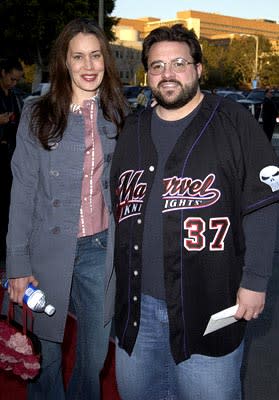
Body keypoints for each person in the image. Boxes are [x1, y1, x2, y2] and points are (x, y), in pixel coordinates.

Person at [110, 24, 279, 400]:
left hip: (209, 306)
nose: (167, 73)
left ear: (199, 69)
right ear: (147, 74)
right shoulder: (133, 130)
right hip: (139, 310)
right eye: (157, 66)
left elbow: (264, 206)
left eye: (179, 63)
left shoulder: (235, 122)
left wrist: (255, 280)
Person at [4, 18, 127, 400]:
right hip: (46, 251)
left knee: (93, 358)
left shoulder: (117, 115)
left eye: (95, 56)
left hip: (100, 250)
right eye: (78, 57)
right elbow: (22, 192)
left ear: (105, 61)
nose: (88, 66)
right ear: (64, 62)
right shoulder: (37, 114)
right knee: (46, 357)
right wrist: (18, 266)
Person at [0, 57, 24, 261]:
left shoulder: (15, 97)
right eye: (12, 79)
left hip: (10, 157)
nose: (14, 83)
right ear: (3, 73)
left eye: (17, 80)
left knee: (10, 204)